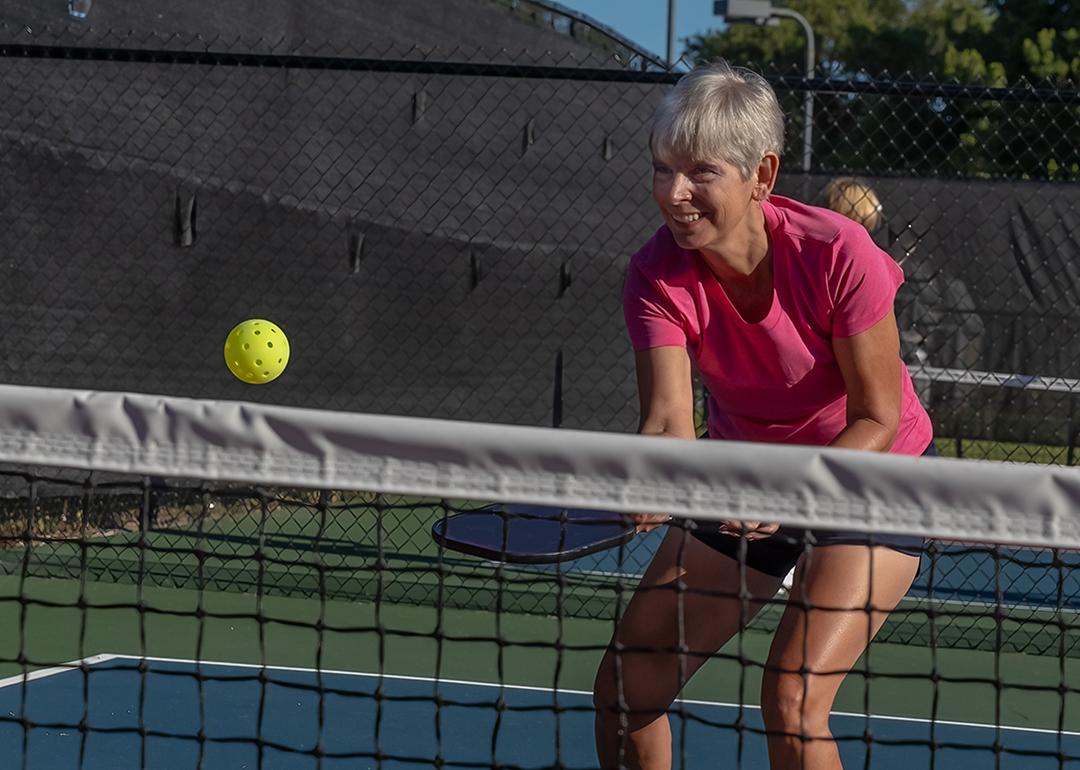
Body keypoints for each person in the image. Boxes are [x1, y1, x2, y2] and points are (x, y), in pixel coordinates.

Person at [593, 61, 935, 770]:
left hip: (873, 477)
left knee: (792, 697)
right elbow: (666, 424)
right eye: (662, 169)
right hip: (743, 481)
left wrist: (792, 491)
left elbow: (877, 414)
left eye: (700, 173)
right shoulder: (656, 275)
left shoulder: (839, 253)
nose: (674, 194)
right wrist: (660, 480)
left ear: (763, 174)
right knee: (629, 684)